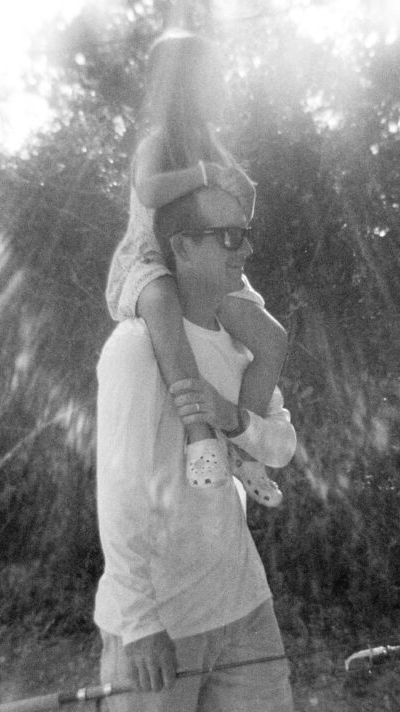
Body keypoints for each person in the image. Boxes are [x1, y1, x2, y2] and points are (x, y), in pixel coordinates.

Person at [94, 184, 298, 712]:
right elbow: (118, 488)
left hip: (246, 610)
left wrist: (234, 419)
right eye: (228, 237)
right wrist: (138, 624)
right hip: (163, 625)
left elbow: (280, 448)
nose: (246, 249)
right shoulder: (136, 349)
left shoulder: (239, 347)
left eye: (247, 235)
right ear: (181, 246)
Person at [105, 29, 287, 506]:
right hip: (152, 259)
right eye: (212, 78)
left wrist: (241, 187)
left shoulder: (213, 143)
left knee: (271, 338)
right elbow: (148, 191)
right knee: (163, 307)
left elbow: (239, 208)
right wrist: (206, 174)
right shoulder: (157, 142)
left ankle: (243, 450)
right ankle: (201, 438)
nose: (220, 87)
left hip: (204, 262)